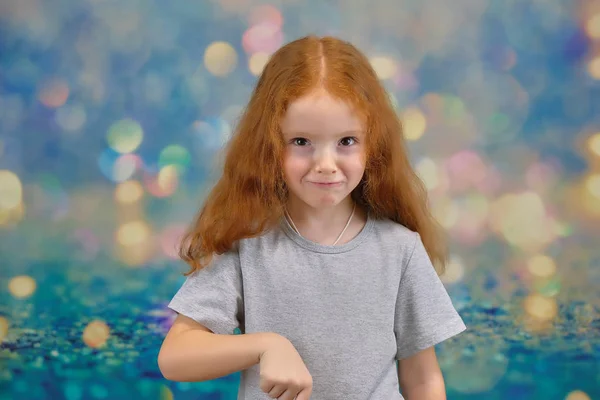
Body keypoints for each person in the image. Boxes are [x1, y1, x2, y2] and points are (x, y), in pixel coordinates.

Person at [157, 35, 467, 400]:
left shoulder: (400, 250)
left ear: (374, 144)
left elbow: (423, 380)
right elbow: (176, 357)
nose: (325, 165)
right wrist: (264, 346)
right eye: (301, 142)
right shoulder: (246, 246)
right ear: (269, 144)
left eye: (347, 141)